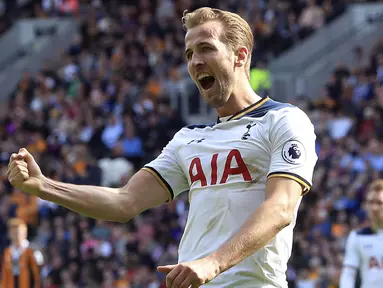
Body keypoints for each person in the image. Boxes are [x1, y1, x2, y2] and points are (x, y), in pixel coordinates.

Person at [6, 7, 317, 288]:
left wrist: (213, 263)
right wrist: (44, 186)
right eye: (189, 53)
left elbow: (280, 208)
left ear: (239, 55)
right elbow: (123, 202)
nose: (195, 61)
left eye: (206, 48)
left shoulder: (283, 120)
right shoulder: (187, 140)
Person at [339, 179, 383, 288]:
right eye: (370, 202)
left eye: (379, 203)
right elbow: (348, 274)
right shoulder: (357, 236)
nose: (374, 208)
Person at [1, 218, 41, 288]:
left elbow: (38, 275)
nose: (16, 235)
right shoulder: (7, 252)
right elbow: (4, 276)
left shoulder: (33, 250)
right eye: (13, 232)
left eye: (18, 232)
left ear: (25, 233)